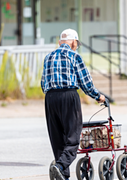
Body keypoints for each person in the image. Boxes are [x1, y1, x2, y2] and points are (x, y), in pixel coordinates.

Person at [41, 28, 105, 180]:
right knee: (73, 137)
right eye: (77, 43)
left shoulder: (48, 57)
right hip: (69, 96)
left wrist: (52, 95)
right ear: (74, 42)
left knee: (57, 138)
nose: (77, 46)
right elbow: (86, 82)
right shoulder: (74, 56)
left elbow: (43, 83)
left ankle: (63, 175)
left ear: (59, 42)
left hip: (50, 98)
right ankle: (61, 165)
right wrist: (98, 96)